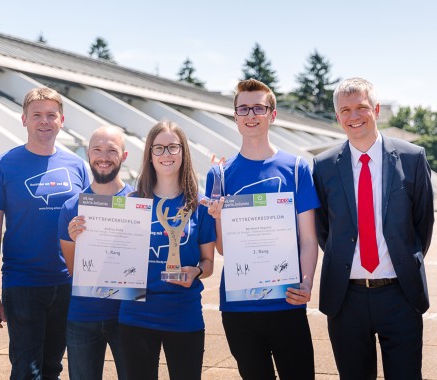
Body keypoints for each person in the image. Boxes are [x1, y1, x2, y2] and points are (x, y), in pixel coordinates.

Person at [313, 77, 434, 380]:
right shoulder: (323, 165)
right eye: (345, 110)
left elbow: (423, 223)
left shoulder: (412, 157)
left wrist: (404, 260)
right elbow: (323, 229)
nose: (354, 117)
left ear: (376, 109)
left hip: (400, 294)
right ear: (337, 116)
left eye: (361, 107)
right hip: (346, 297)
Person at [205, 79, 320, 380]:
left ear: (273, 114)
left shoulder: (296, 168)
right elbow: (221, 249)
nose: (251, 114)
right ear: (235, 116)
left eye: (259, 107)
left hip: (286, 300)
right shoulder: (219, 175)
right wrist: (219, 216)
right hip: (239, 307)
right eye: (243, 108)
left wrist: (306, 283)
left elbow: (308, 238)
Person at [0, 87, 90, 379]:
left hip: (67, 284)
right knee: (27, 370)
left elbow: (92, 226)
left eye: (51, 115)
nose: (44, 121)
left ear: (61, 120)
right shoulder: (4, 165)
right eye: (37, 115)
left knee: (53, 367)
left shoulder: (77, 166)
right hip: (23, 283)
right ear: (24, 119)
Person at [118, 121, 215, 380]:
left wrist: (195, 271)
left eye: (173, 147)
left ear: (183, 152)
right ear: (149, 155)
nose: (166, 154)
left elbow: (208, 263)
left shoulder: (200, 205)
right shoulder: (131, 203)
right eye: (158, 148)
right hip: (137, 316)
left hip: (184, 315)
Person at [58, 125, 131, 380]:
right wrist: (77, 239)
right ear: (88, 154)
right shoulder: (71, 208)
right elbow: (72, 268)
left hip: (129, 315)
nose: (104, 156)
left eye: (112, 150)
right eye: (97, 150)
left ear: (124, 155)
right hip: (83, 316)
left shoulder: (140, 202)